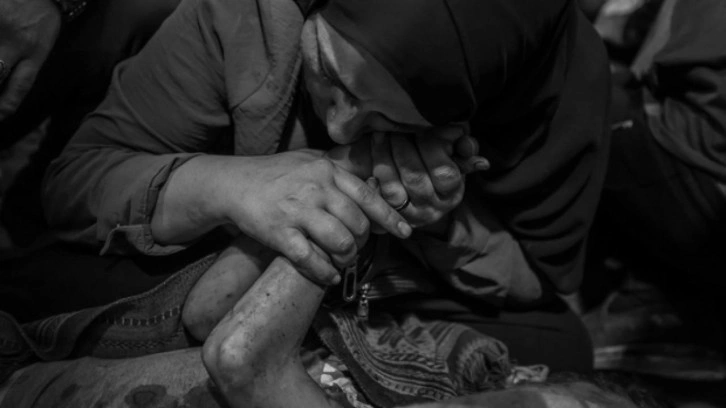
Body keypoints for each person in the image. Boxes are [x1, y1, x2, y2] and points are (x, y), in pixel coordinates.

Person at [31, 0, 609, 404]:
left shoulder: (546, 89)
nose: (340, 126)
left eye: (393, 117)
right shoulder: (244, 16)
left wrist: (439, 219)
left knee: (561, 348)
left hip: (392, 283)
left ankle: (277, 349)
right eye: (330, 73)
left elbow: (536, 275)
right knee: (43, 290)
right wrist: (234, 187)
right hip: (203, 251)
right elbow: (73, 185)